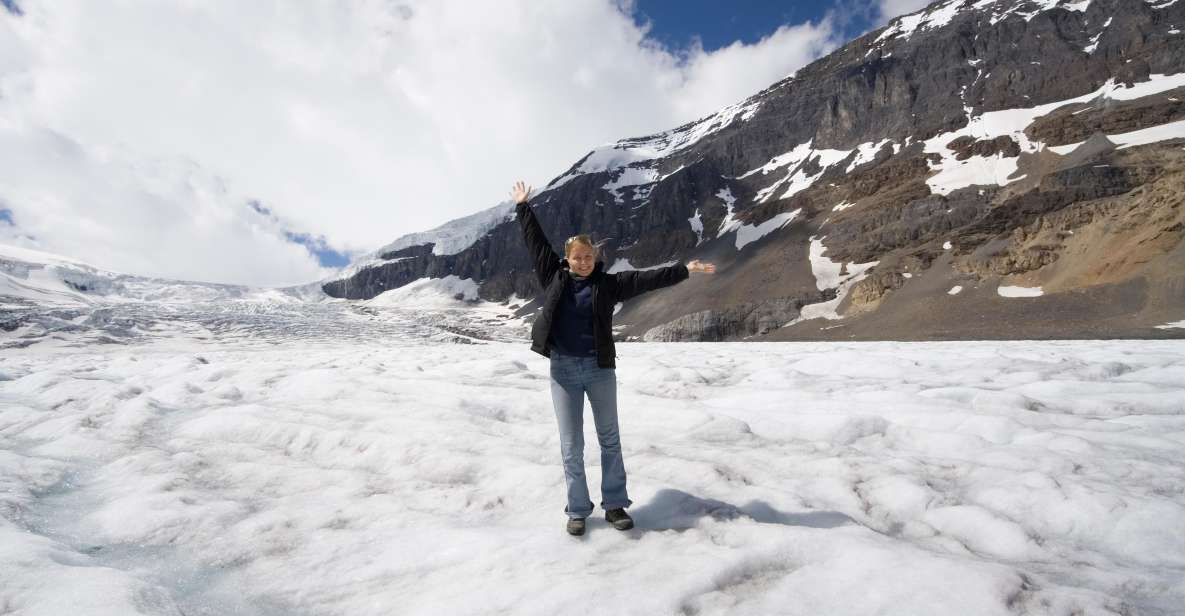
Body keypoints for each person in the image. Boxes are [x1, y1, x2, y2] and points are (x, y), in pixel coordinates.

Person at [510, 180, 717, 536]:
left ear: (596, 258)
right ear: (568, 258)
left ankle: (615, 505)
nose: (583, 262)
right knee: (572, 445)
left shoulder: (608, 284)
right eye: (577, 257)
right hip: (563, 371)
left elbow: (647, 278)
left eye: (589, 257)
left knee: (610, 439)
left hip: (599, 370)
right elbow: (535, 243)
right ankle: (577, 509)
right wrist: (523, 207)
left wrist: (686, 269)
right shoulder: (553, 276)